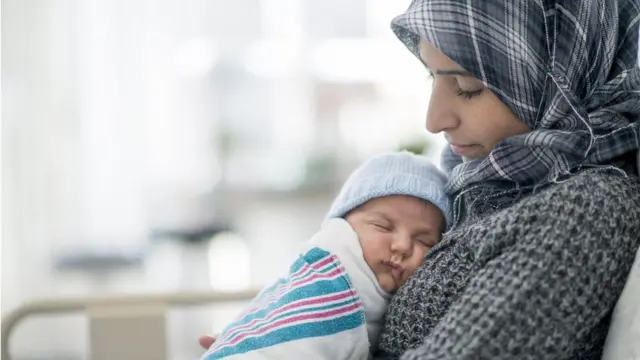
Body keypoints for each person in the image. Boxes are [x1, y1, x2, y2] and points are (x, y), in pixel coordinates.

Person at [202, 1, 640, 358]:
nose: (434, 120)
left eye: (467, 86)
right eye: (433, 77)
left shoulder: (584, 207)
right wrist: (282, 338)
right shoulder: (485, 186)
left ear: (561, 75)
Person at [200, 152, 452, 360]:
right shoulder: (328, 276)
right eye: (383, 227)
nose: (402, 246)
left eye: (424, 241)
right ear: (343, 225)